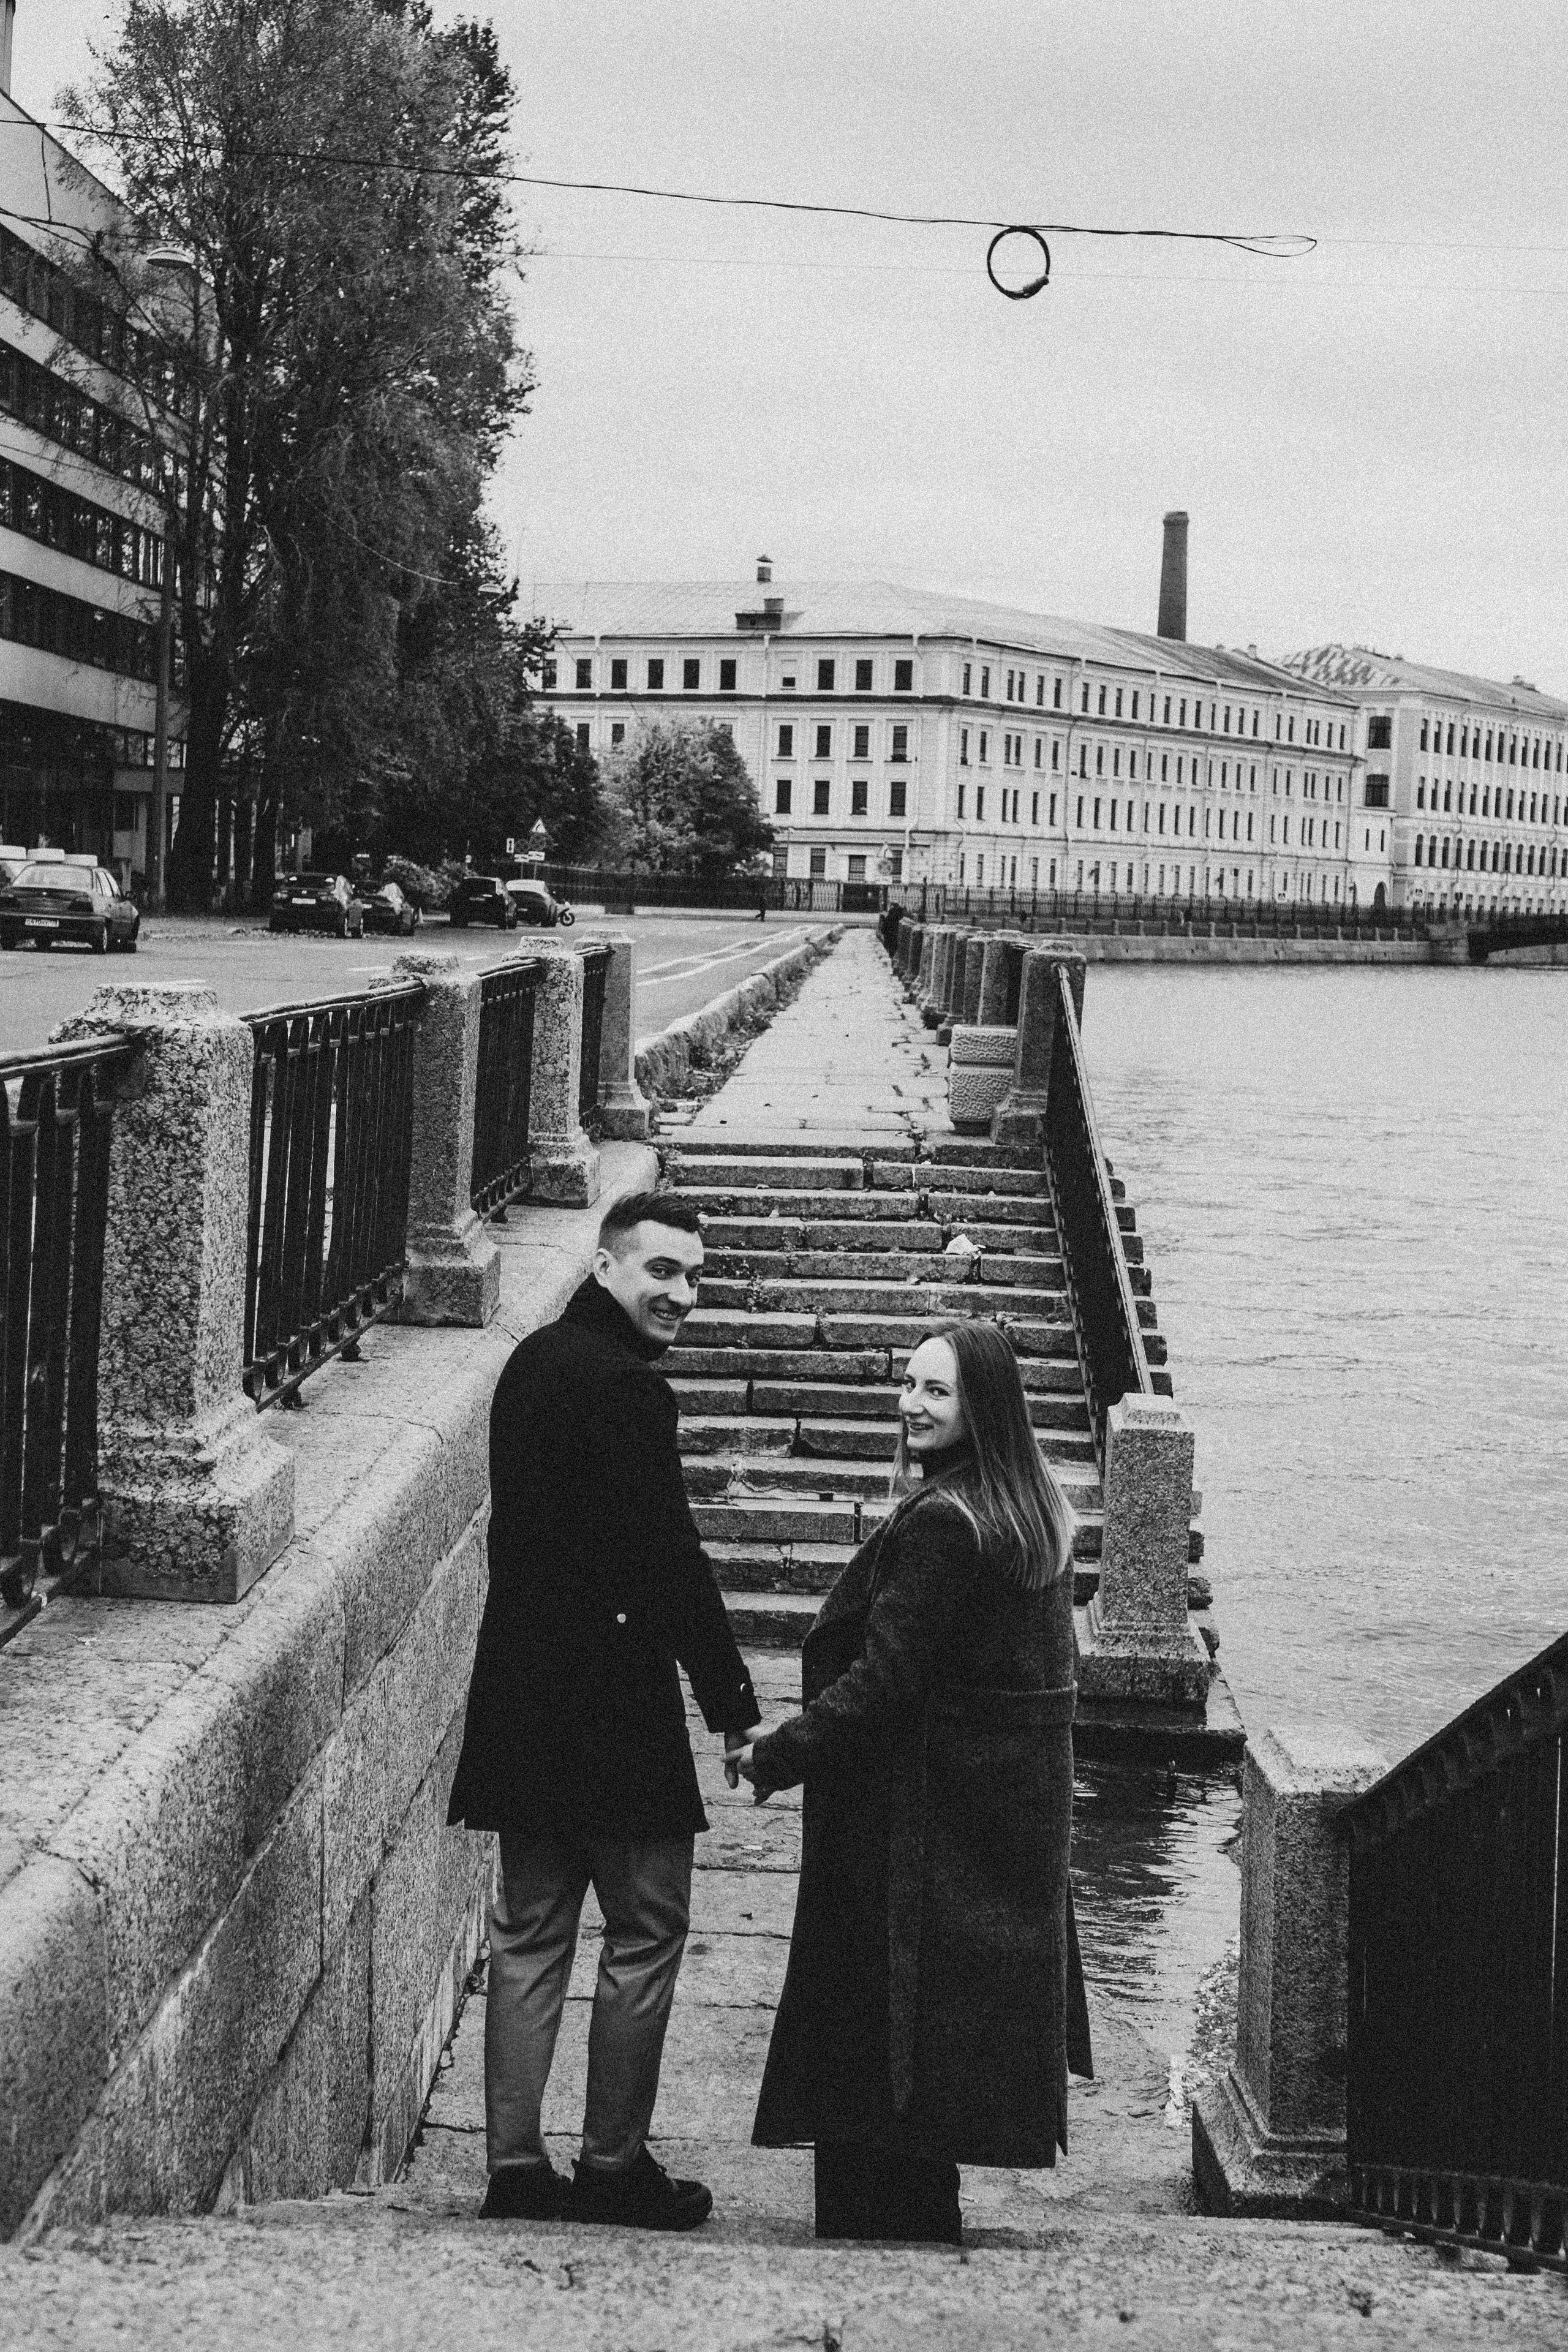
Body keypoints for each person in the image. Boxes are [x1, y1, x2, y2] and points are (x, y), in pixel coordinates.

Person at [736, 1318, 1093, 2243]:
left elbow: (883, 1685)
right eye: (908, 1383)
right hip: (983, 1827)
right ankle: (923, 2228)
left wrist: (778, 1755)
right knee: (930, 2066)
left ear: (984, 1409)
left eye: (937, 1392)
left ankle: (875, 2253)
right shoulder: (1028, 1509)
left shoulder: (944, 1521)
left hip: (908, 1824)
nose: (911, 1404)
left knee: (871, 2052)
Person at [447, 1189, 761, 2230]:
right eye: (663, 1272)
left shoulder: (533, 1362)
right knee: (647, 1927)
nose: (684, 1294)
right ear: (608, 1265)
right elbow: (668, 1557)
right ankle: (615, 2163)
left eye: (696, 1276)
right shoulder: (631, 1391)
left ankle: (516, 2168)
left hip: (524, 1698)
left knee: (530, 1931)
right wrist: (730, 1701)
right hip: (612, 1709)